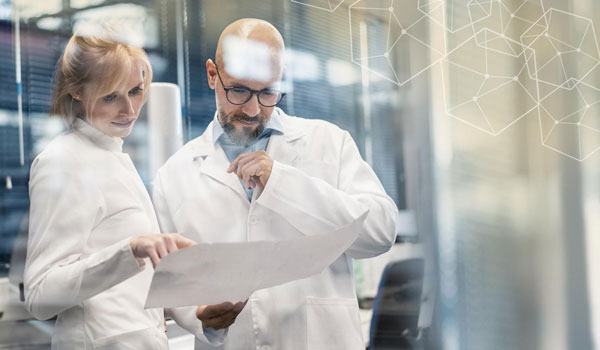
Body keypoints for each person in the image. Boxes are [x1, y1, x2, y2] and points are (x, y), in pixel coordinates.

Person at [152, 18, 398, 349]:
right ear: (213, 75)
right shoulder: (174, 175)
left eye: (268, 92)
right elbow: (169, 279)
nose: (253, 109)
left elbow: (381, 231)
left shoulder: (328, 142)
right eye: (238, 90)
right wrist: (197, 315)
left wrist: (284, 183)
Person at [24, 30, 243, 350]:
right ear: (75, 91)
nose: (129, 110)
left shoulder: (114, 156)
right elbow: (40, 295)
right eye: (111, 96)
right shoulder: (62, 160)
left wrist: (198, 313)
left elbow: (131, 287)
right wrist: (129, 251)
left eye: (136, 91)